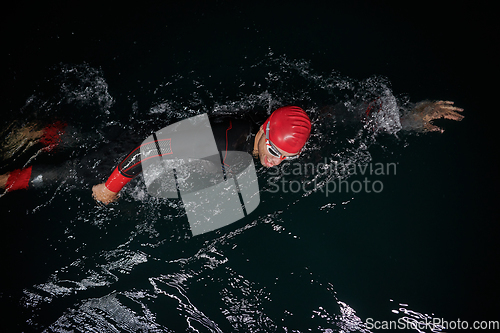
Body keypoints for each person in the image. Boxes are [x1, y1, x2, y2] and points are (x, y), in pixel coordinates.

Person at [0, 102, 464, 201]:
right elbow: (152, 148)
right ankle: (8, 178)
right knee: (83, 172)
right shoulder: (229, 141)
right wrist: (113, 185)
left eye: (286, 158)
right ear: (264, 130)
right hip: (157, 144)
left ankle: (50, 128)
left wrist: (402, 117)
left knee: (106, 133)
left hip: (179, 133)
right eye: (274, 151)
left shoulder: (282, 133)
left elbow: (340, 113)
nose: (275, 162)